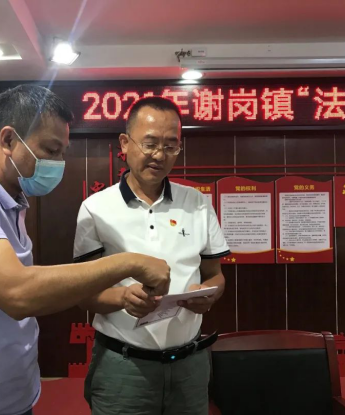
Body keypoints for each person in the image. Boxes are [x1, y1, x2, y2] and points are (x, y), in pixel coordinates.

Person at [0, 85, 170, 415]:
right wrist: (128, 263)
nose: (58, 162)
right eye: (51, 150)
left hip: (11, 397)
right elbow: (18, 293)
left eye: (62, 152)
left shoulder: (12, 202)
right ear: (9, 140)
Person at [73, 96, 230, 415]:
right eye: (150, 144)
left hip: (189, 365)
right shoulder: (95, 208)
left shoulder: (197, 203)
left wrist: (208, 293)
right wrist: (122, 298)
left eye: (171, 146)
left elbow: (216, 275)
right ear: (125, 143)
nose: (159, 155)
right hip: (124, 368)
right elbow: (82, 293)